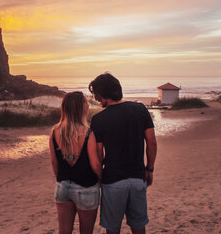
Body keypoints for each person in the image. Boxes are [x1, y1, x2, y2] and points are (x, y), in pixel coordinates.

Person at [89, 73, 157, 234]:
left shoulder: (99, 119)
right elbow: (152, 143)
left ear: (104, 93)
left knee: (112, 228)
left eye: (97, 94)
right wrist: (150, 169)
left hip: (113, 181)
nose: (96, 98)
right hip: (138, 178)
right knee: (138, 225)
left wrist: (99, 178)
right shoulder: (140, 109)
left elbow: (98, 155)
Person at [49, 91, 103, 234]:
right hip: (86, 188)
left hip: (62, 187)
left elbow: (54, 162)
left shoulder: (55, 131)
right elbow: (96, 165)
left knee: (64, 231)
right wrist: (102, 180)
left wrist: (62, 181)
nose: (88, 104)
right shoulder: (88, 133)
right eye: (86, 102)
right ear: (81, 107)